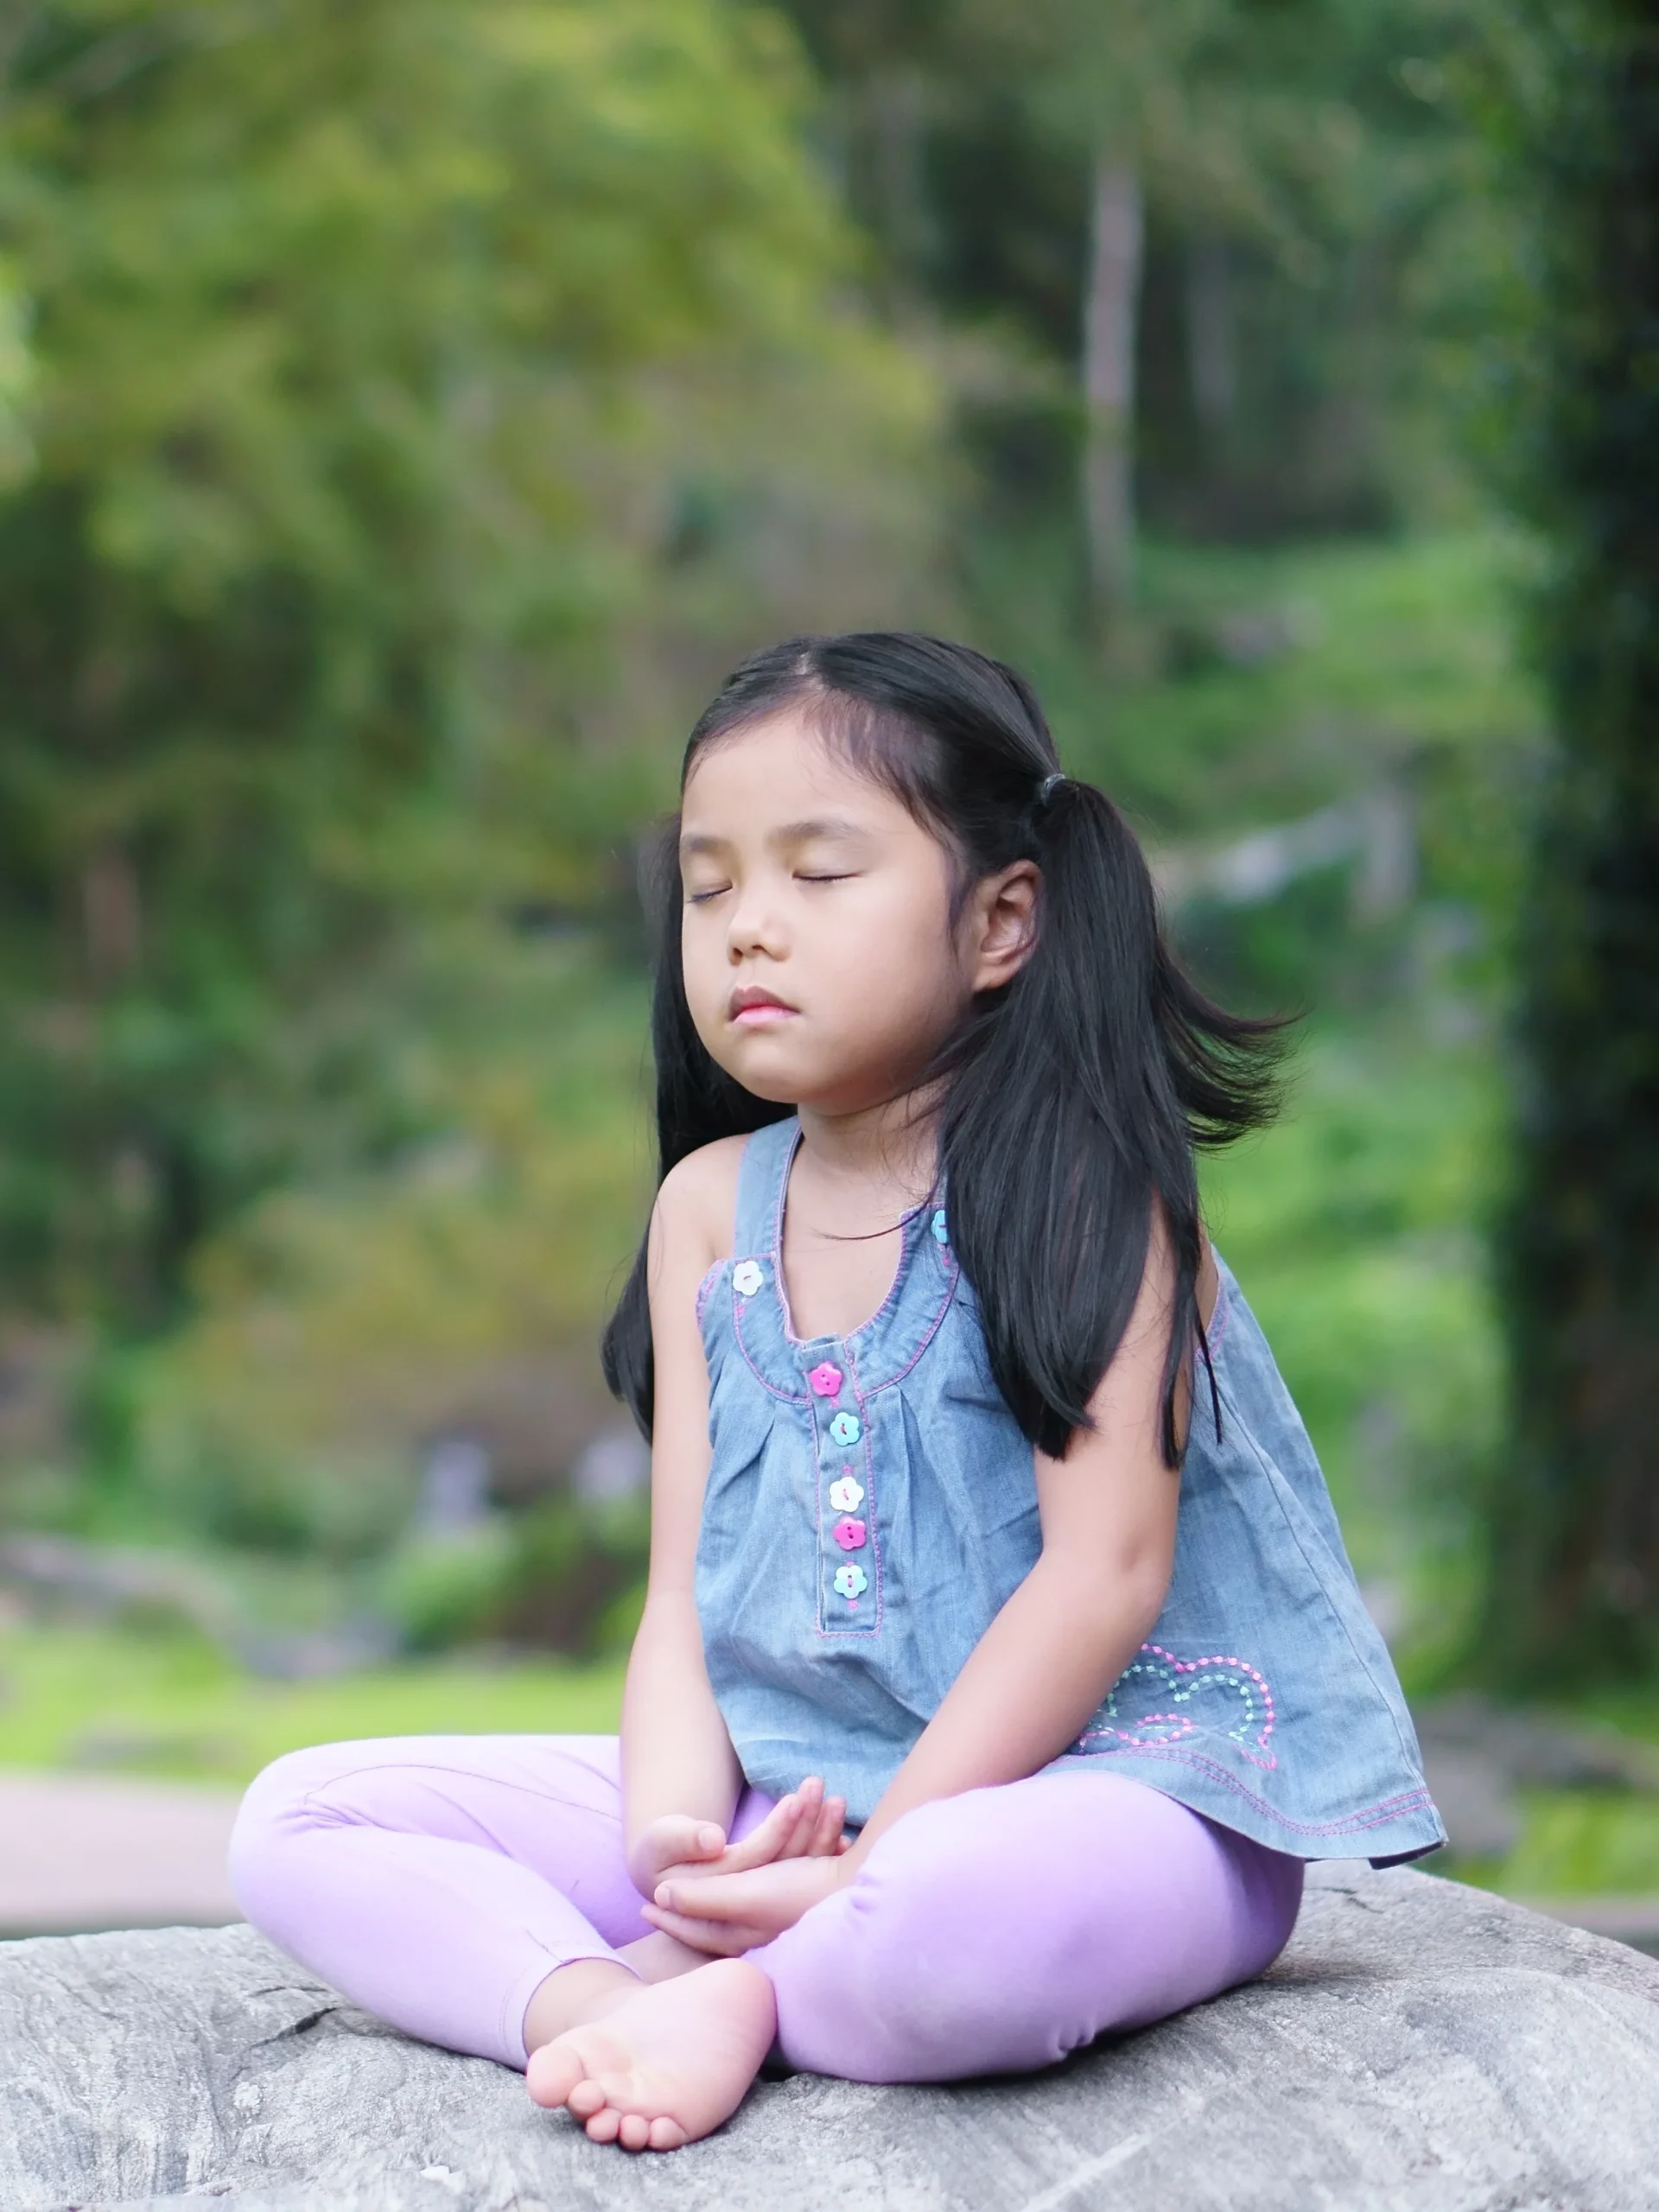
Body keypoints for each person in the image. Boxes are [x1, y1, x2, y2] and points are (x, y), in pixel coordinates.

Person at [230, 633, 1444, 2154]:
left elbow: (1106, 1577)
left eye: (819, 874)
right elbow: (681, 1601)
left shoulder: (1079, 1182)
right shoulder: (708, 1209)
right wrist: (681, 1852)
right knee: (302, 1822)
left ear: (1002, 921)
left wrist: (878, 1858)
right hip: (792, 1800)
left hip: (1121, 1801)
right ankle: (611, 2009)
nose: (749, 930)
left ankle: (744, 2000)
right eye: (711, 882)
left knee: (954, 1924)